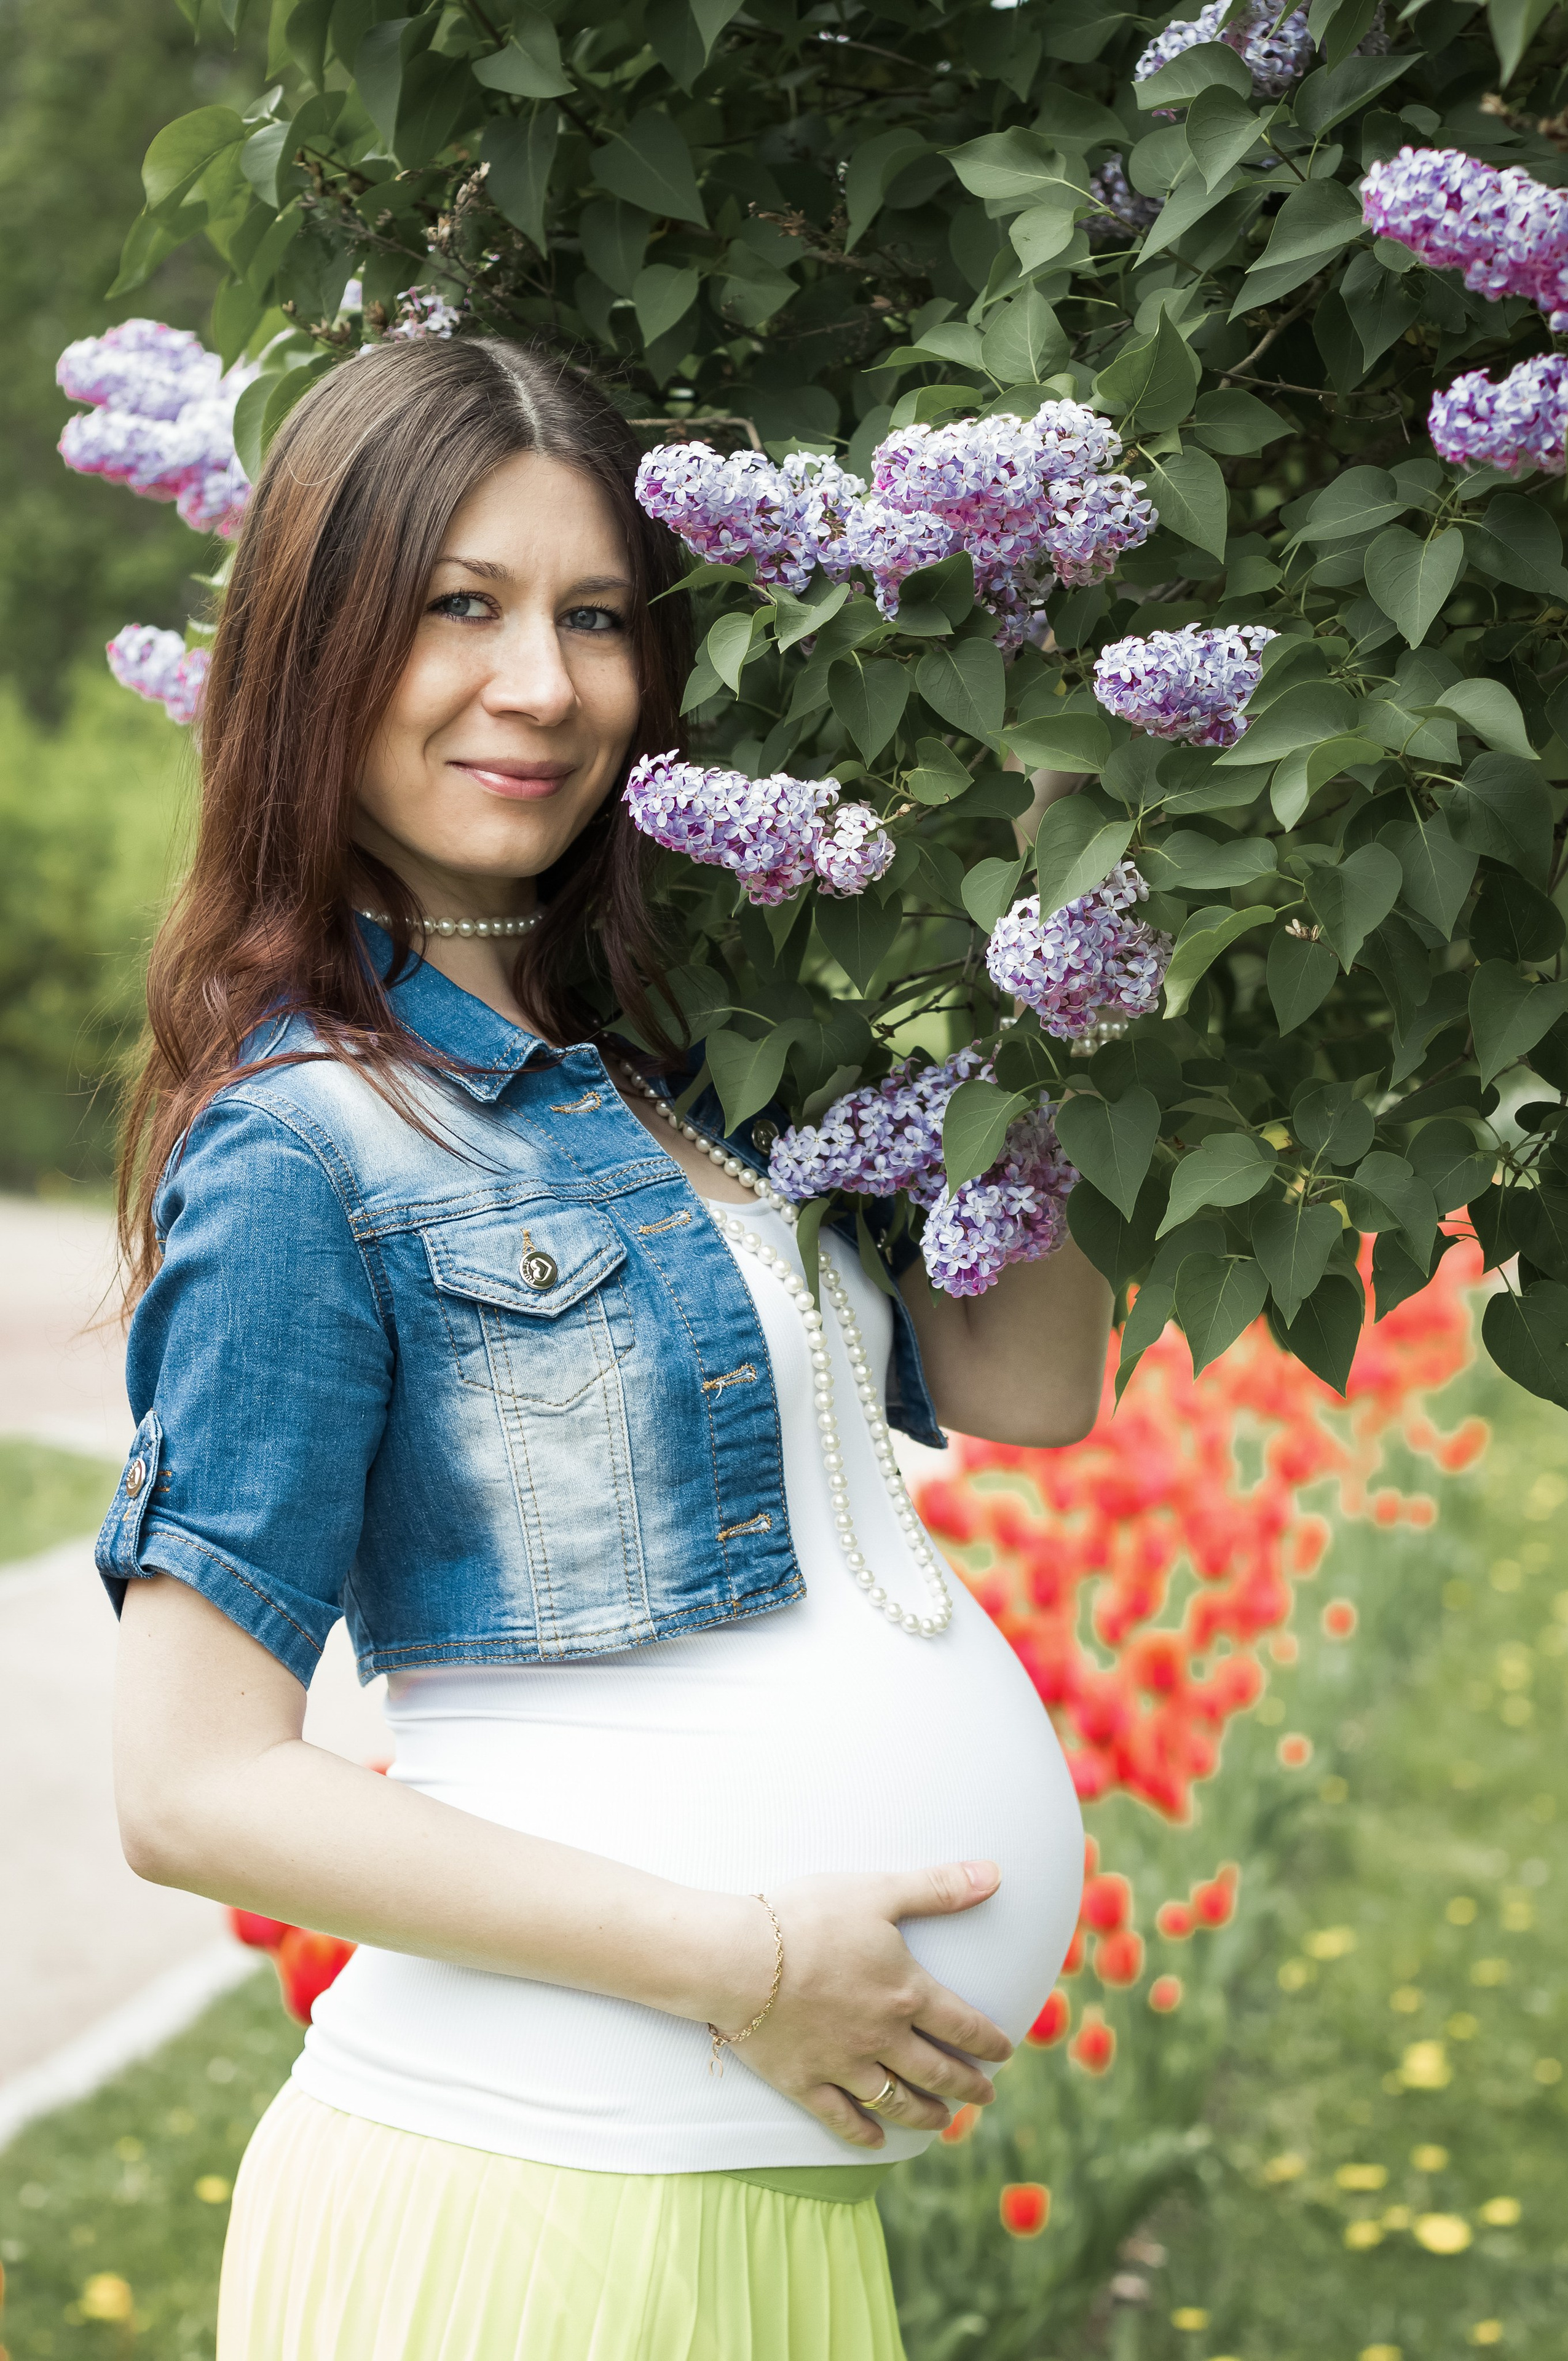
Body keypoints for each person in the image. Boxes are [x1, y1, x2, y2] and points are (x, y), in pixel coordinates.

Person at [103, 336, 1113, 2360]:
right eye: (457, 607)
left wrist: (1074, 876)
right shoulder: (306, 1140)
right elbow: (192, 1790)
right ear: (317, 646)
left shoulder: (691, 1064)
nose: (543, 687)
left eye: (592, 618)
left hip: (723, 2203)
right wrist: (740, 1965)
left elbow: (1029, 1384)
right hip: (531, 2204)